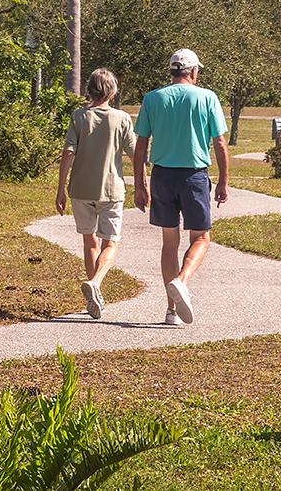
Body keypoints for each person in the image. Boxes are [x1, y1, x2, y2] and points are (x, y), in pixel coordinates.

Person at [133, 49, 229, 325]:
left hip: (162, 176)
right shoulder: (207, 97)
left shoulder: (153, 98)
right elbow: (220, 143)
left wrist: (140, 184)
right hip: (194, 177)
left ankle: (171, 311)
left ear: (172, 72)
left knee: (169, 243)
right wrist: (223, 180)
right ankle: (182, 281)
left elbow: (141, 144)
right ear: (194, 72)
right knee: (201, 238)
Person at [56, 68, 136, 320]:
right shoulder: (122, 118)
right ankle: (96, 283)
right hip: (111, 191)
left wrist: (60, 188)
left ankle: (94, 294)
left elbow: (69, 152)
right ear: (112, 91)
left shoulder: (78, 116)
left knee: (89, 241)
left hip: (80, 189)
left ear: (89, 90)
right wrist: (146, 180)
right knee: (110, 242)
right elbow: (136, 153)